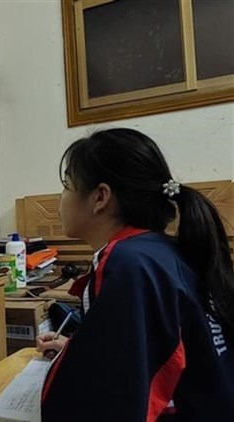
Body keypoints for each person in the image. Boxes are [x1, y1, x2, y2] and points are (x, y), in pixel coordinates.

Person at [36, 128, 234, 421]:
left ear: (100, 197)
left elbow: (110, 402)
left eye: (66, 185)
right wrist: (81, 349)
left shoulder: (127, 262)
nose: (60, 197)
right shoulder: (156, 251)